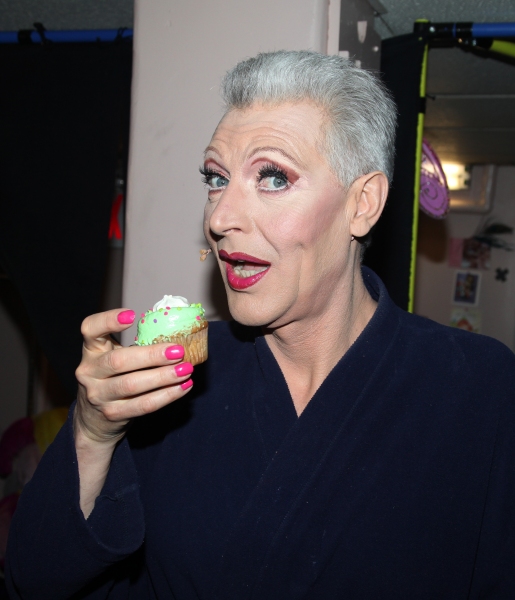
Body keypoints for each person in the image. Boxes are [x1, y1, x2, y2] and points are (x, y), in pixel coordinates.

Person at [6, 51, 515, 599]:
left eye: (272, 177)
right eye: (216, 179)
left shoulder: (478, 387)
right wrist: (91, 431)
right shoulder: (167, 381)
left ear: (362, 204)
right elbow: (35, 581)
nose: (220, 218)